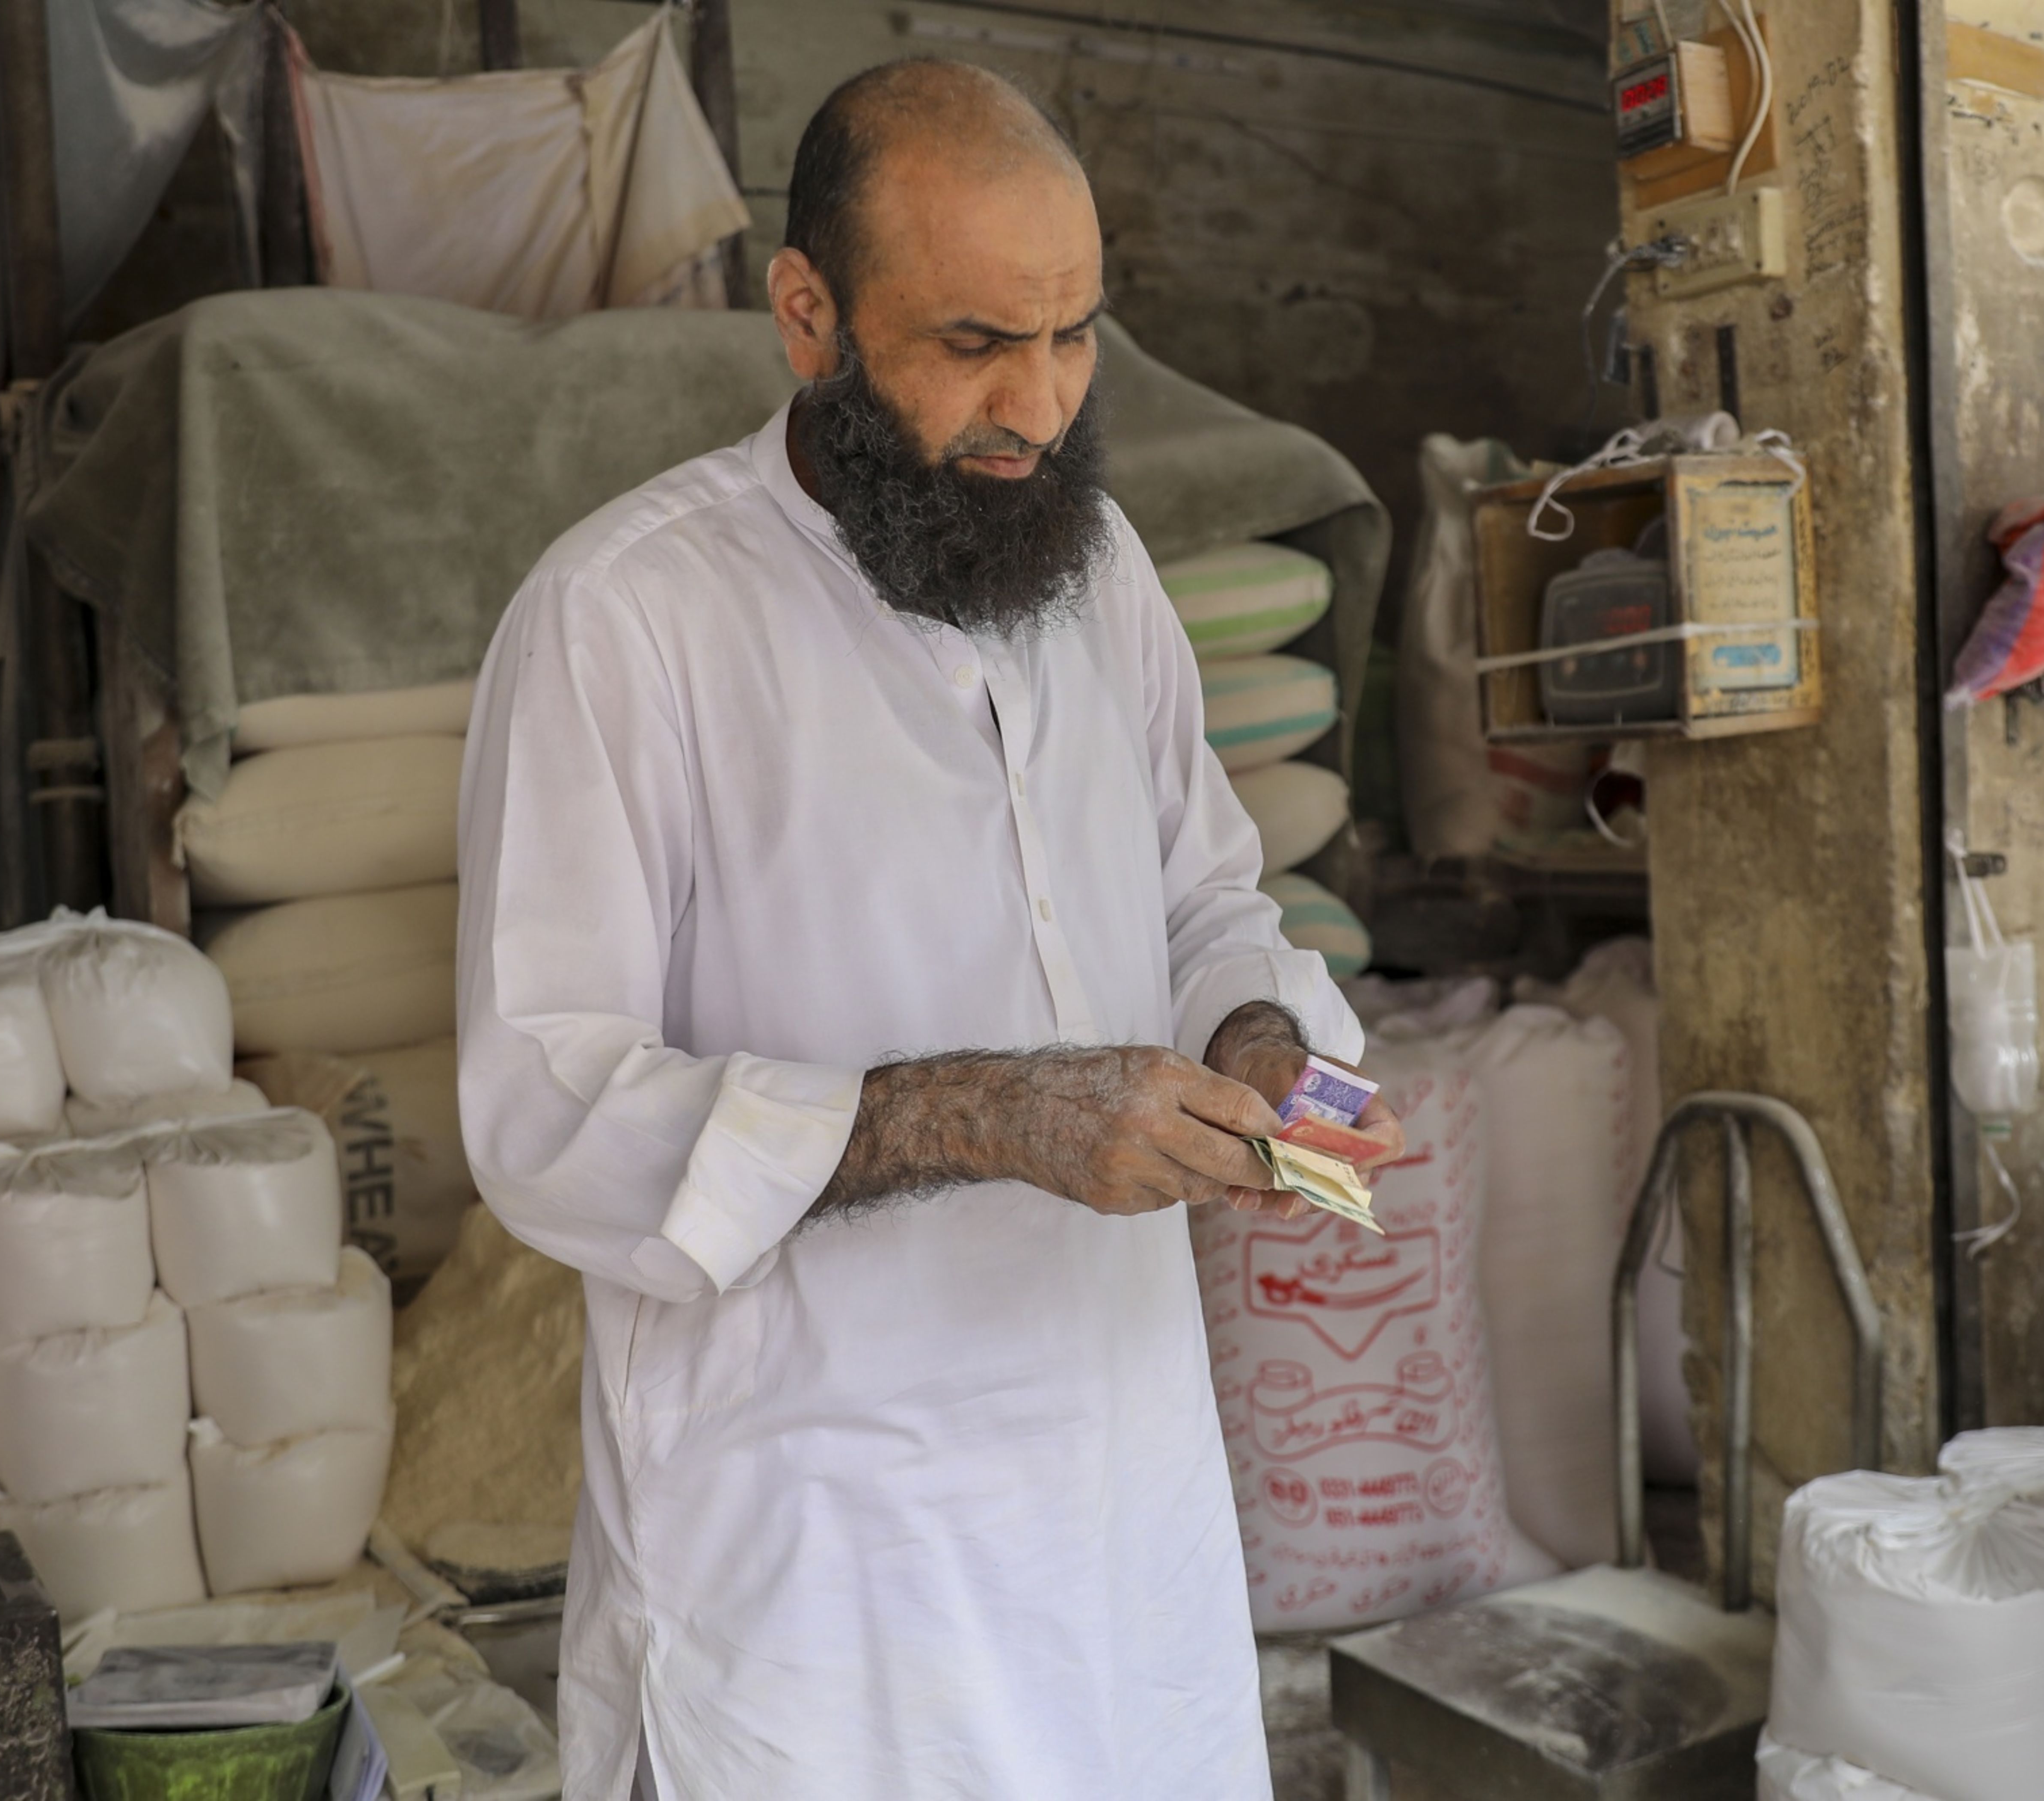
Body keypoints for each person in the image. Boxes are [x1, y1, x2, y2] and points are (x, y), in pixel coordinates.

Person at [453, 56, 1404, 1800]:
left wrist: (1261, 1046)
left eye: (1074, 337)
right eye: (972, 343)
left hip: (1121, 1524)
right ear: (806, 314)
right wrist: (981, 1112)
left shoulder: (1095, 571)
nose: (1035, 409)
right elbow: (549, 1110)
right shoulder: (625, 621)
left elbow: (1203, 898)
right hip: (821, 1575)